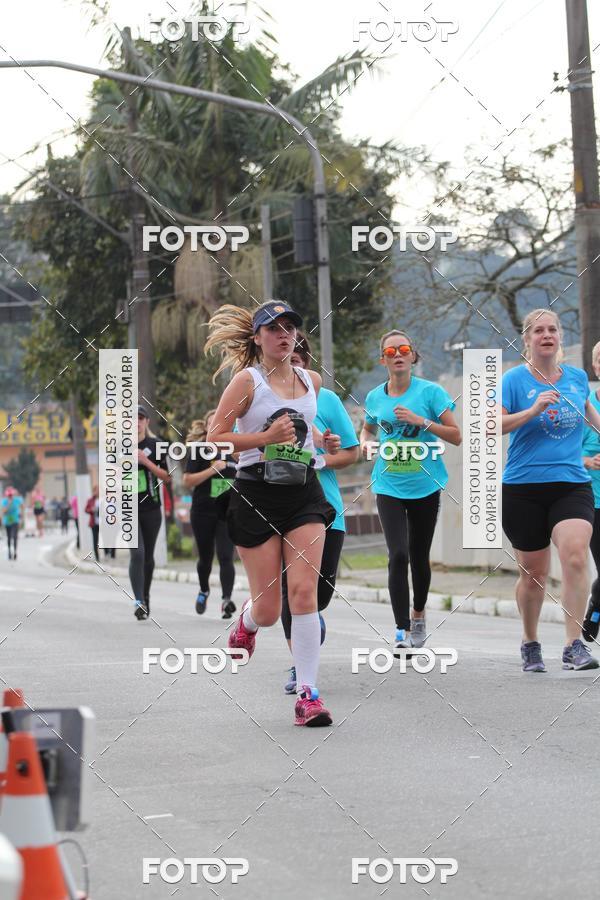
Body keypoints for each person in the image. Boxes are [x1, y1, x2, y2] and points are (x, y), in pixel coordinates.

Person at [205, 300, 340, 727]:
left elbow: (306, 429)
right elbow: (216, 438)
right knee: (267, 610)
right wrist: (264, 437)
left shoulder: (311, 379)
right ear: (258, 338)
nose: (284, 335)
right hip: (257, 492)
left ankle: (308, 696)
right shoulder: (248, 382)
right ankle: (247, 621)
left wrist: (325, 443)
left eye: (290, 328)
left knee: (305, 595)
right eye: (274, 329)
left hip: (302, 492)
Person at [502, 308, 600, 672]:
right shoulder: (514, 380)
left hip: (571, 484)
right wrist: (531, 409)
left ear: (559, 336)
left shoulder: (576, 378)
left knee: (575, 555)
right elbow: (489, 425)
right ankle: (530, 642)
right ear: (526, 339)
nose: (547, 335)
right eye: (539, 330)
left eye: (553, 330)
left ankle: (574, 645)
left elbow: (591, 415)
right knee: (534, 573)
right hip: (523, 488)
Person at [359, 330, 461, 654]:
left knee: (418, 556)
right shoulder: (375, 397)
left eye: (404, 349)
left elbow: (456, 436)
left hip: (425, 484)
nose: (398, 354)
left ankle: (419, 615)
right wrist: (365, 443)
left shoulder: (431, 393)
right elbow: (368, 427)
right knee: (398, 554)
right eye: (391, 351)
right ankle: (401, 628)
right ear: (383, 360)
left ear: (413, 356)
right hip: (388, 484)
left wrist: (422, 421)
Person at [280, 332, 359, 693]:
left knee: (319, 593)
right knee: (291, 591)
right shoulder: (260, 400)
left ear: (306, 364)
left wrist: (323, 455)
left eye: (298, 359)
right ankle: (301, 667)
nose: (292, 364)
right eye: (286, 359)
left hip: (325, 509)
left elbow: (351, 452)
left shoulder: (326, 400)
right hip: (278, 509)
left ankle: (312, 618)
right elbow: (237, 449)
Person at [183, 411, 237, 619]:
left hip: (227, 511)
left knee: (226, 556)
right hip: (203, 511)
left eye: (220, 421)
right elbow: (187, 481)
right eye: (210, 423)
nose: (215, 425)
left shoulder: (234, 448)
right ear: (206, 427)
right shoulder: (198, 450)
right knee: (205, 558)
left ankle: (226, 601)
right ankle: (204, 590)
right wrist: (212, 470)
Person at [130, 404, 171, 620]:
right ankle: (138, 600)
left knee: (147, 557)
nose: (136, 422)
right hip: (127, 508)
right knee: (137, 553)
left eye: (140, 418)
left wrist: (146, 462)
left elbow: (168, 476)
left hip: (151, 508)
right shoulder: (117, 446)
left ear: (146, 422)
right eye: (131, 418)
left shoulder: (156, 445)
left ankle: (145, 598)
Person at [582, 340, 600, 642]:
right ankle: (595, 610)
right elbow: (561, 447)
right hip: (592, 500)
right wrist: (586, 460)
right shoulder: (584, 404)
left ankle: (596, 609)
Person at [2, 487, 23, 561]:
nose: (10, 496)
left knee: (14, 536)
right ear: (7, 495)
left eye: (11, 495)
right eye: (9, 495)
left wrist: (21, 518)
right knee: (9, 537)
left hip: (15, 520)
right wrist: (8, 503)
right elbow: (3, 511)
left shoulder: (17, 500)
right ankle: (9, 552)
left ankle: (15, 552)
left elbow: (21, 507)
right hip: (7, 521)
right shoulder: (4, 501)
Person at [85, 486, 101, 561]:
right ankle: (97, 557)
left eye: (99, 490)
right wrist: (91, 509)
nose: (97, 492)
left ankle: (108, 553)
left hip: (103, 523)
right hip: (94, 523)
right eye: (96, 490)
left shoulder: (104, 498)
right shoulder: (91, 500)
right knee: (95, 540)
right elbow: (86, 509)